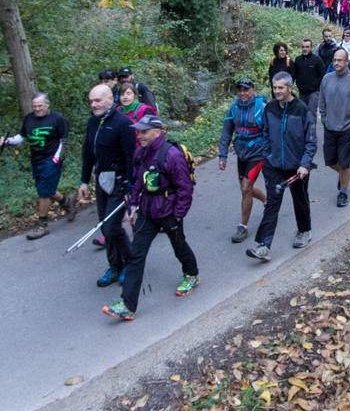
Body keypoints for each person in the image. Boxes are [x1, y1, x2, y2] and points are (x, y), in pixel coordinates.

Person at [102, 115, 199, 320]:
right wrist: (134, 205)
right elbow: (138, 180)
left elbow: (185, 188)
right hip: (147, 212)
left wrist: (178, 215)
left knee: (178, 244)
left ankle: (191, 274)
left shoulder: (171, 155)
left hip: (169, 212)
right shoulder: (141, 153)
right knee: (136, 256)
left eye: (144, 132)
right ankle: (127, 305)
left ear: (158, 132)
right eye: (138, 131)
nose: (140, 135)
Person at [246, 72, 316, 262]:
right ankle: (263, 245)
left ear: (289, 88)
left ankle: (304, 231)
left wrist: (304, 164)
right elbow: (266, 133)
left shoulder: (302, 110)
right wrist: (268, 155)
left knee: (300, 200)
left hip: (297, 168)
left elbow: (311, 142)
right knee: (272, 205)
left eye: (280, 88)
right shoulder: (270, 108)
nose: (276, 91)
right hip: (274, 166)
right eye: (274, 87)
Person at [80, 84, 135, 287]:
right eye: (91, 101)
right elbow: (87, 152)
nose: (93, 105)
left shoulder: (123, 123)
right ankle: (115, 266)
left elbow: (131, 157)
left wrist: (131, 187)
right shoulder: (92, 122)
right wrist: (84, 180)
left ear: (110, 100)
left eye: (97, 100)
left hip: (120, 181)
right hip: (100, 180)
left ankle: (131, 263)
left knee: (112, 227)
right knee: (105, 226)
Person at [0, 93, 74, 240]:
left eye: (40, 106)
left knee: (44, 193)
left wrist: (56, 159)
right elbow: (21, 137)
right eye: (35, 106)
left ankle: (43, 225)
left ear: (47, 105)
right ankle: (67, 202)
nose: (37, 109)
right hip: (36, 160)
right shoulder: (29, 118)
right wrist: (6, 141)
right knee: (47, 189)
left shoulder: (57, 119)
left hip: (51, 160)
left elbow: (65, 140)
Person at [218, 79, 268, 243]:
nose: (242, 93)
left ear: (253, 90)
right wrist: (223, 156)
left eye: (246, 90)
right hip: (242, 153)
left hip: (258, 153)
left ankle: (243, 227)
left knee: (246, 188)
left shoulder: (261, 107)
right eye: (240, 90)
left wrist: (272, 153)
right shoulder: (234, 108)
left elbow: (271, 130)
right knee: (246, 188)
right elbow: (226, 132)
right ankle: (268, 201)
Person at [319, 49, 350, 208]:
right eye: (334, 60)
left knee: (345, 163)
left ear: (347, 62)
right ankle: (343, 175)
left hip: (348, 128)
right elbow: (322, 100)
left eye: (340, 60)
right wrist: (324, 119)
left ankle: (343, 192)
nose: (336, 63)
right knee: (330, 161)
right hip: (330, 127)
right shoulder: (326, 79)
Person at [293, 40, 325, 119]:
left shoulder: (317, 60)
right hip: (302, 92)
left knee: (311, 113)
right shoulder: (298, 60)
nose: (305, 49)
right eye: (303, 47)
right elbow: (294, 74)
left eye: (307, 47)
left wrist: (316, 86)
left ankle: (312, 131)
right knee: (302, 113)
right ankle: (304, 131)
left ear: (311, 48)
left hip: (314, 92)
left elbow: (322, 75)